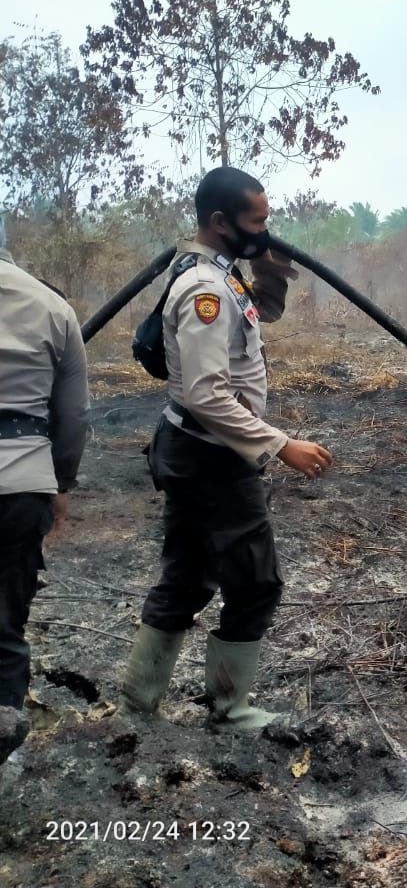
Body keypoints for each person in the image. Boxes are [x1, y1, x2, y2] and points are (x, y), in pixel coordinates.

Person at [121, 167, 333, 731]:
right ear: (220, 221)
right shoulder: (206, 290)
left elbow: (258, 314)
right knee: (256, 583)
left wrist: (271, 267)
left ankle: (137, 706)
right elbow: (204, 393)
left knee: (186, 577)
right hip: (211, 455)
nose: (265, 229)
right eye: (256, 221)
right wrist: (281, 444)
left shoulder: (220, 275)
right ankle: (230, 708)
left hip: (196, 450)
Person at [0, 215, 90, 761]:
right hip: (20, 483)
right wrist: (62, 482)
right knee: (4, 626)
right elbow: (73, 415)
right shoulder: (52, 307)